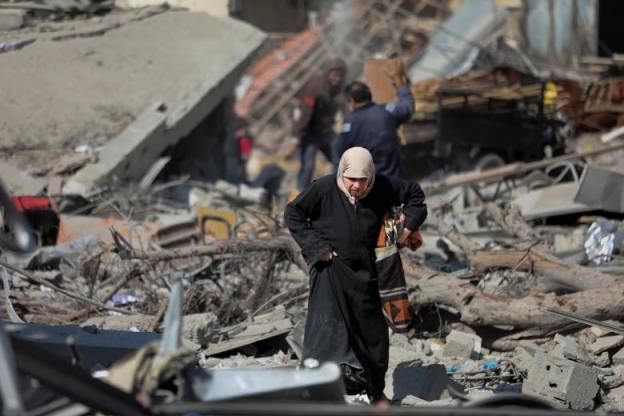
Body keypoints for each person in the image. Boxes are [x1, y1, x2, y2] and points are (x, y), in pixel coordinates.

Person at [284, 147, 427, 404]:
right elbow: (293, 214)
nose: (357, 186)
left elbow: (415, 196)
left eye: (363, 180)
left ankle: (375, 392)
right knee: (324, 333)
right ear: (342, 174)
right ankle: (312, 390)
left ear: (371, 175)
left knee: (373, 337)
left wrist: (407, 229)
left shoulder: (382, 186)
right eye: (352, 179)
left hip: (369, 274)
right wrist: (318, 247)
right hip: (331, 271)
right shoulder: (325, 188)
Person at [336, 63, 413, 179]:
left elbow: (340, 151)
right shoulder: (387, 110)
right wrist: (401, 86)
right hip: (396, 179)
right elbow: (407, 108)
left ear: (351, 101)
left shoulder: (349, 124)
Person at [291, 57, 347, 191]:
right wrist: (295, 138)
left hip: (327, 132)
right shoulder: (314, 86)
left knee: (340, 161)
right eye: (334, 75)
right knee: (308, 165)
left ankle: (337, 193)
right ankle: (301, 194)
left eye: (340, 76)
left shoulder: (341, 90)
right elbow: (303, 113)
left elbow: (347, 111)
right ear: (327, 73)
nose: (337, 79)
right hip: (309, 132)